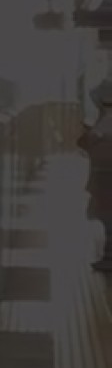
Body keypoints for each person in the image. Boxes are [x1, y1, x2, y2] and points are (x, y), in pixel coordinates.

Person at [79, 78, 112, 270]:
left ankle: (108, 258)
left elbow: (90, 142)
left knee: (108, 218)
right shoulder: (105, 119)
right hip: (103, 174)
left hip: (106, 176)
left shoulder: (107, 120)